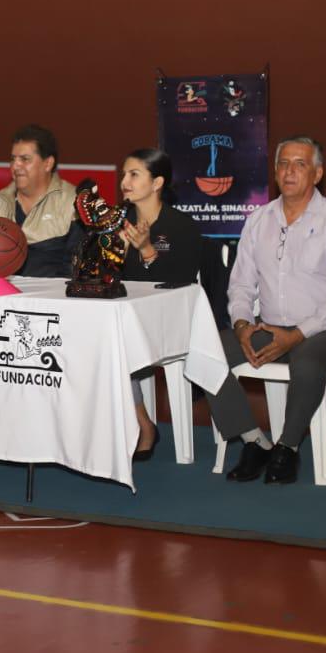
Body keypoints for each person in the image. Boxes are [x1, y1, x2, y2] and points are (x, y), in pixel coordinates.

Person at [206, 136, 326, 485]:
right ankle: (254, 441)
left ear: (317, 174)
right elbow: (241, 284)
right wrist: (243, 324)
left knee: (307, 363)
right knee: (207, 352)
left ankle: (287, 448)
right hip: (269, 326)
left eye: (300, 164)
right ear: (275, 171)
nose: (289, 171)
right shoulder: (259, 220)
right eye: (283, 164)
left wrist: (296, 335)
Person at [117, 148, 204, 460]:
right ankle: (133, 422)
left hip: (169, 321)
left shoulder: (181, 225)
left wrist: (148, 251)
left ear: (157, 183)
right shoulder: (119, 222)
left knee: (114, 343)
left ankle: (141, 426)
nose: (124, 181)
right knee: (100, 338)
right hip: (127, 316)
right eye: (124, 174)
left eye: (134, 174)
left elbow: (180, 282)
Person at [0, 124, 78, 277]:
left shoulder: (74, 203)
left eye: (25, 159)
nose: (15, 165)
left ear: (48, 163)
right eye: (13, 159)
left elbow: (77, 271)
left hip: (52, 299)